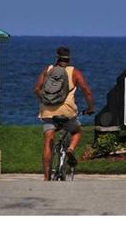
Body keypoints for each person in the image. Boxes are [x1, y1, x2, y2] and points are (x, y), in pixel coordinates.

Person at [35, 46, 95, 180]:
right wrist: (90, 107)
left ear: (56, 58)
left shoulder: (48, 70)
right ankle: (71, 149)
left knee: (47, 143)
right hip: (67, 112)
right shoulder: (74, 72)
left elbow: (37, 89)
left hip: (48, 112)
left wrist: (45, 101)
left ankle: (46, 177)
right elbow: (87, 90)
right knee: (76, 131)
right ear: (69, 59)